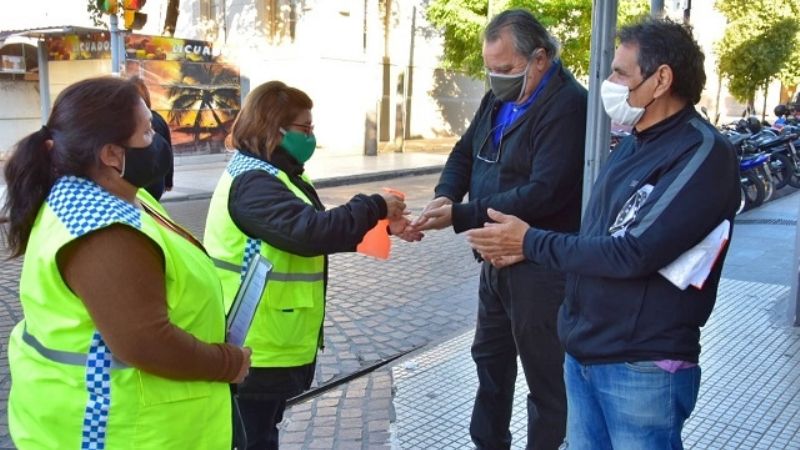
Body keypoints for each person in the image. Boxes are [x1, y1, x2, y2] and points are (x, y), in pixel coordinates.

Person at [466, 18, 740, 449]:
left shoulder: (702, 152)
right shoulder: (634, 142)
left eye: (620, 73)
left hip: (641, 365)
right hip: (586, 351)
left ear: (662, 79)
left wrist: (529, 241)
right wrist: (529, 252)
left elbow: (633, 251)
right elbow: (596, 233)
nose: (608, 83)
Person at [1, 77, 251, 448]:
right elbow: (146, 342)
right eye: (148, 131)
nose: (158, 141)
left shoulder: (113, 195)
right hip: (118, 429)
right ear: (112, 155)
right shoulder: (102, 232)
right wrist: (229, 364)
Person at [203, 80, 420, 449]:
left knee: (261, 434)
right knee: (251, 439)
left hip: (272, 341)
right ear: (274, 129)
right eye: (305, 129)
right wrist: (374, 205)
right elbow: (309, 232)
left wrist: (381, 224)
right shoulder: (253, 182)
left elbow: (316, 232)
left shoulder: (278, 174)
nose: (312, 138)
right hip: (254, 344)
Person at [411, 9, 587, 450]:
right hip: (494, 258)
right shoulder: (499, 99)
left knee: (546, 379)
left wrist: (464, 216)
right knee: (489, 363)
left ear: (540, 59)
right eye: (491, 69)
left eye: (505, 69)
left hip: (538, 267)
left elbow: (544, 191)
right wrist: (448, 195)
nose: (496, 79)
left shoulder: (568, 105)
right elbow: (464, 152)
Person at [130, 75, 174, 200]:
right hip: (156, 180)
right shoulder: (159, 119)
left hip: (143, 181)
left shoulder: (132, 122)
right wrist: (168, 181)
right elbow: (168, 151)